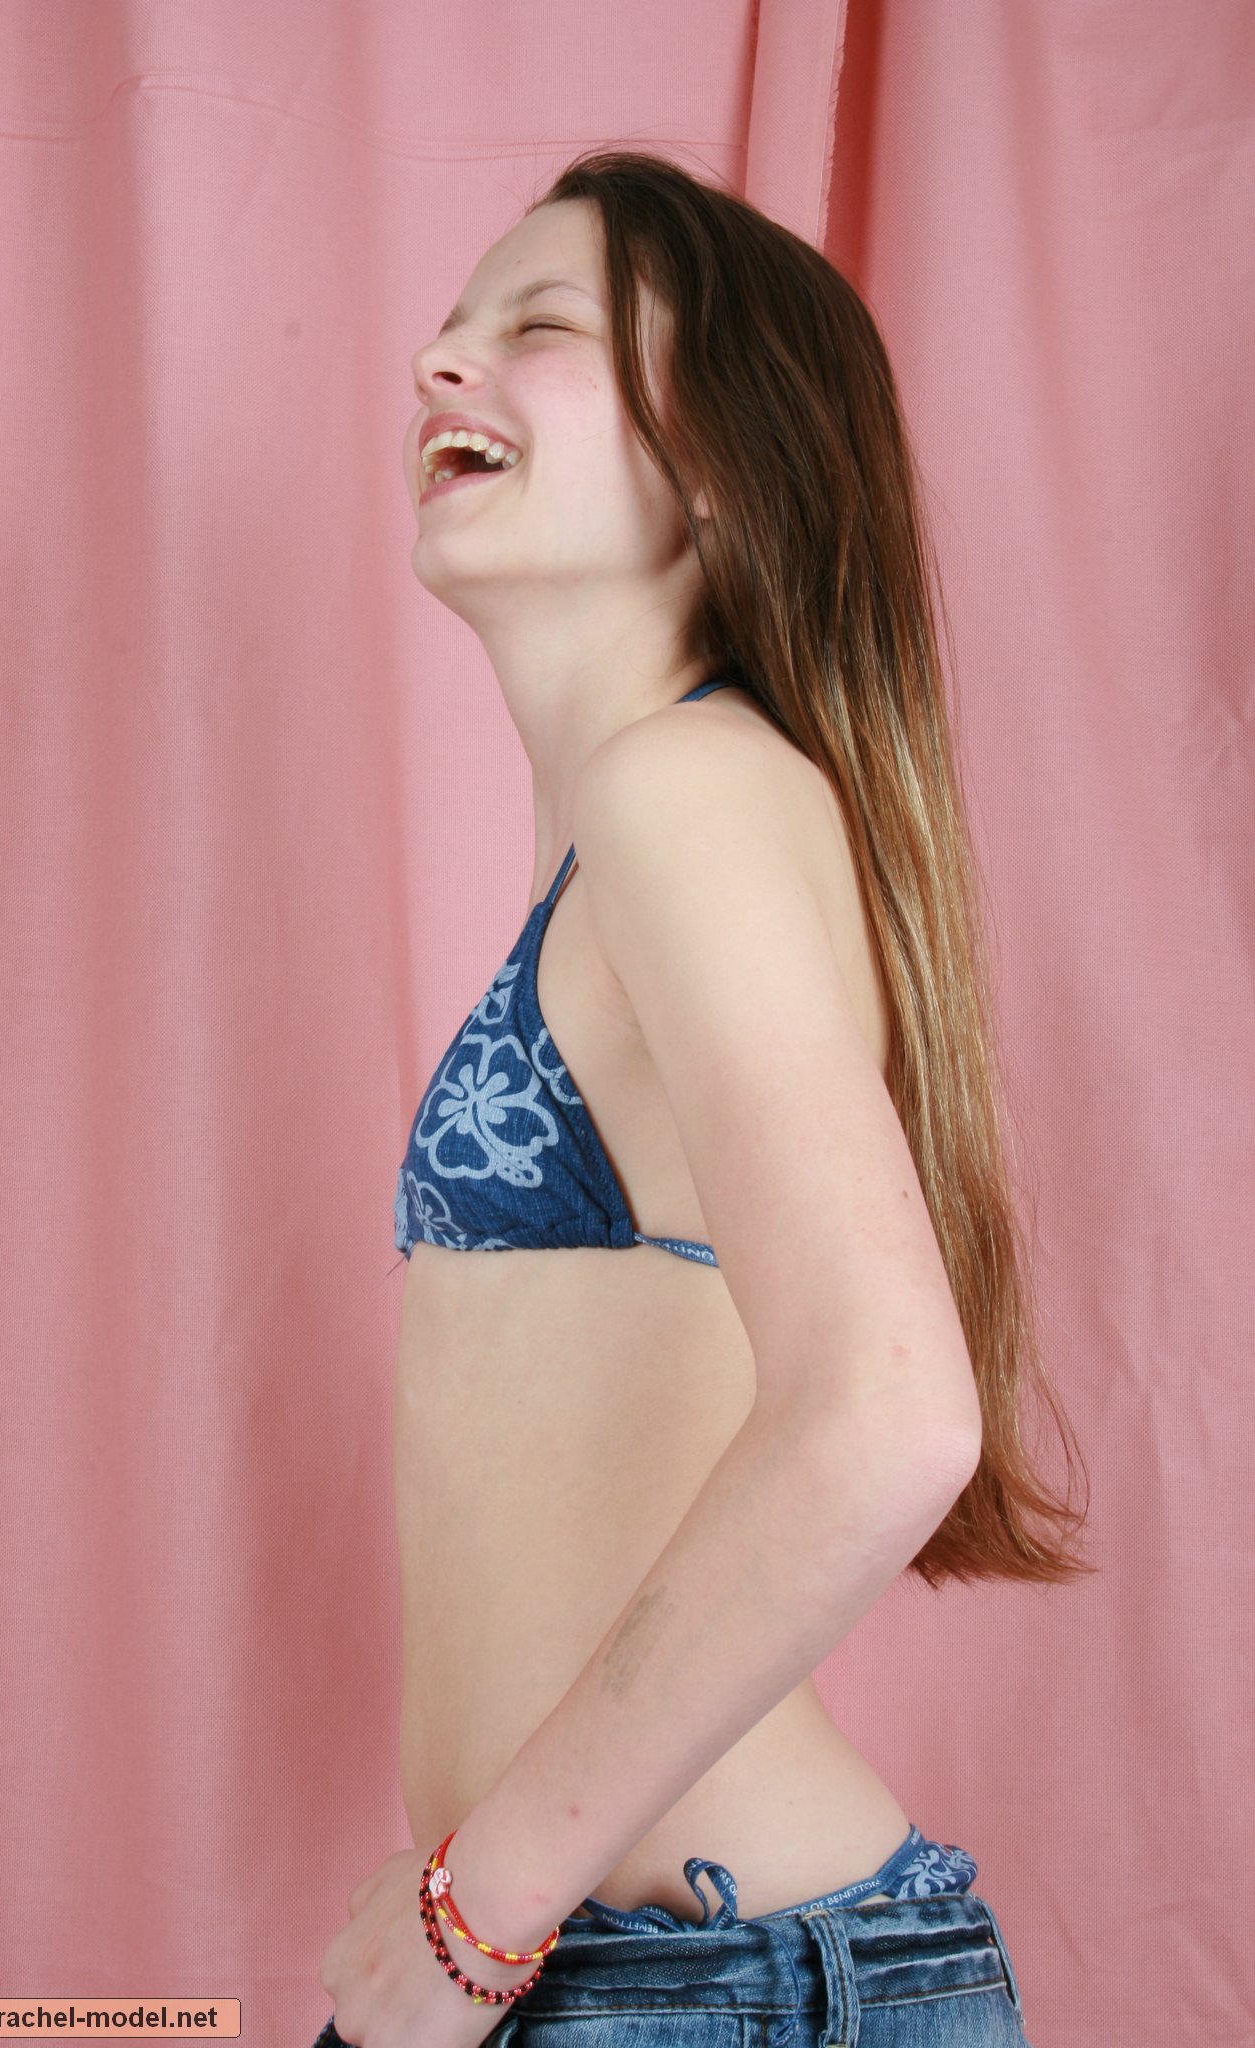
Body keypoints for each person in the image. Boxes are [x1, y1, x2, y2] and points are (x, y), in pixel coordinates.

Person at [316, 147, 1093, 2048]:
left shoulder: (685, 791)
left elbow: (889, 1410)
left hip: (702, 1984)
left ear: (726, 463)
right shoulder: (652, 813)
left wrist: (474, 1916)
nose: (436, 362)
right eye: (449, 325)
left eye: (539, 327)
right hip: (648, 1973)